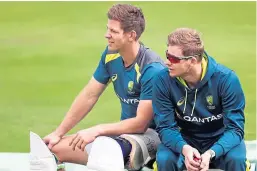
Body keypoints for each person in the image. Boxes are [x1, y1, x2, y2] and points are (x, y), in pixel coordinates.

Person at [29, 3, 165, 171]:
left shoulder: (152, 68)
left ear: (131, 35)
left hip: (154, 136)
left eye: (113, 31)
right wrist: (59, 133)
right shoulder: (110, 55)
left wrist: (97, 130)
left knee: (107, 156)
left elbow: (141, 124)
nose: (106, 35)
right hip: (124, 134)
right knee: (49, 151)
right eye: (108, 29)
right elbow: (89, 95)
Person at [152, 28, 248, 171]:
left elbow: (235, 128)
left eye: (173, 59)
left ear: (192, 61)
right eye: (167, 55)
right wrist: (184, 149)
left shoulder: (227, 79)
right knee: (165, 159)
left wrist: (211, 153)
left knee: (236, 159)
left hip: (220, 137)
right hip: (184, 137)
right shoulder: (162, 80)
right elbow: (165, 126)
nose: (166, 62)